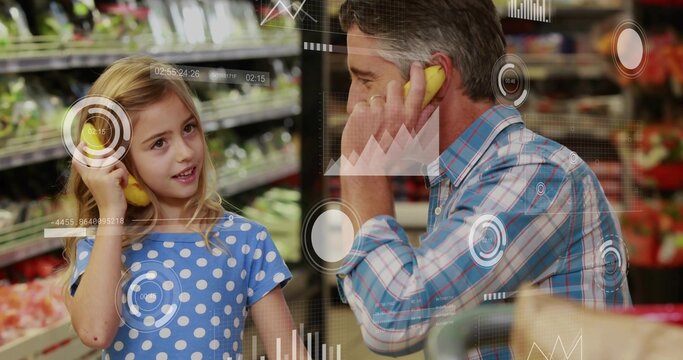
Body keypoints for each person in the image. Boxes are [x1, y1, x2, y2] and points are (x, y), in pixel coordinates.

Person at [335, 0, 631, 358]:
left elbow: (393, 320)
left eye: (365, 80)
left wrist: (361, 169)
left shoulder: (534, 176)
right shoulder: (465, 172)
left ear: (435, 77)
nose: (353, 103)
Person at [60, 56, 301, 360]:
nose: (185, 152)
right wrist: (111, 212)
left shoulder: (246, 240)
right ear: (115, 161)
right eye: (159, 143)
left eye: (189, 128)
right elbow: (95, 332)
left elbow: (289, 353)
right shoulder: (105, 245)